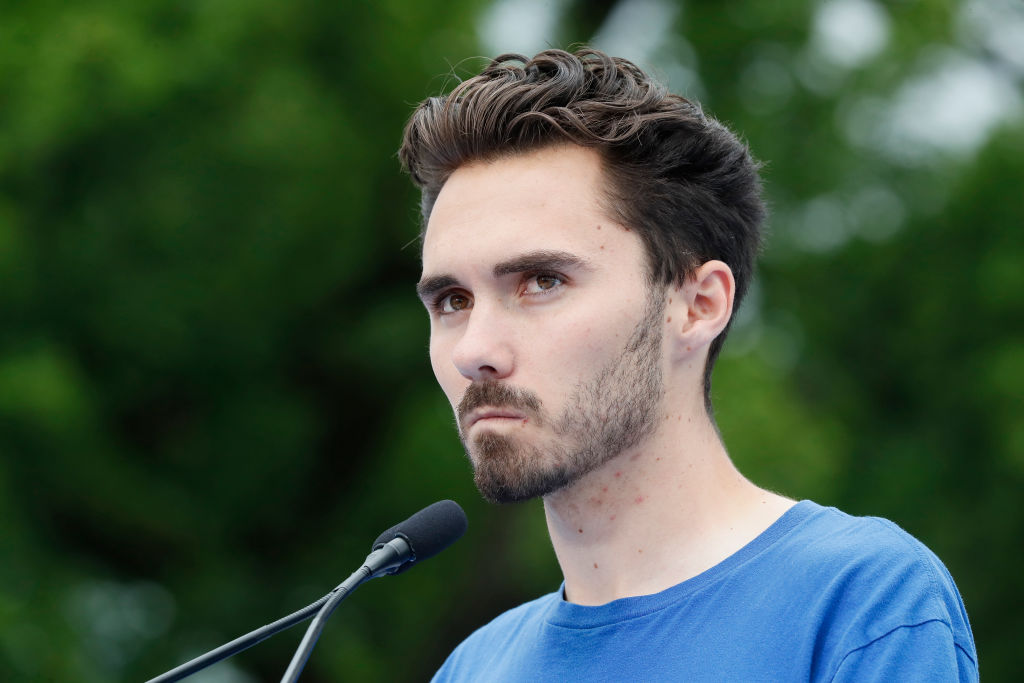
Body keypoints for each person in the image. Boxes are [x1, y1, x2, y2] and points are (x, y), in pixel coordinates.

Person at [400, 47, 978, 681]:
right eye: (453, 300)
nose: (475, 349)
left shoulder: (859, 604)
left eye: (542, 281)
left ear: (699, 305)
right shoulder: (473, 668)